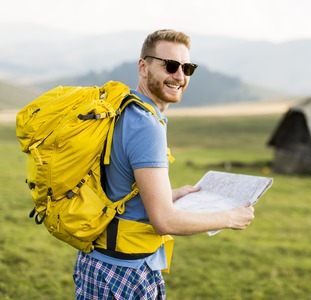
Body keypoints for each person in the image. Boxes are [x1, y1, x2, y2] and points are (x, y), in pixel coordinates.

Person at [73, 29, 255, 300]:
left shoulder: (123, 109)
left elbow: (118, 190)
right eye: (170, 66)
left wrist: (169, 196)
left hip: (97, 262)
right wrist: (230, 217)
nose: (180, 76)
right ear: (143, 67)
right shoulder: (146, 125)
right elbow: (164, 221)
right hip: (125, 272)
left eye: (187, 67)